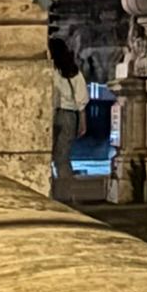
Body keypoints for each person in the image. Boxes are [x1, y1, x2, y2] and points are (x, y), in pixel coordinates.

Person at [49, 32, 88, 197]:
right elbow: (82, 101)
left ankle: (52, 191)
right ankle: (68, 193)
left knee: (49, 155)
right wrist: (83, 123)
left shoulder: (50, 70)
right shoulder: (74, 73)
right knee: (62, 156)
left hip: (52, 114)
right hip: (69, 115)